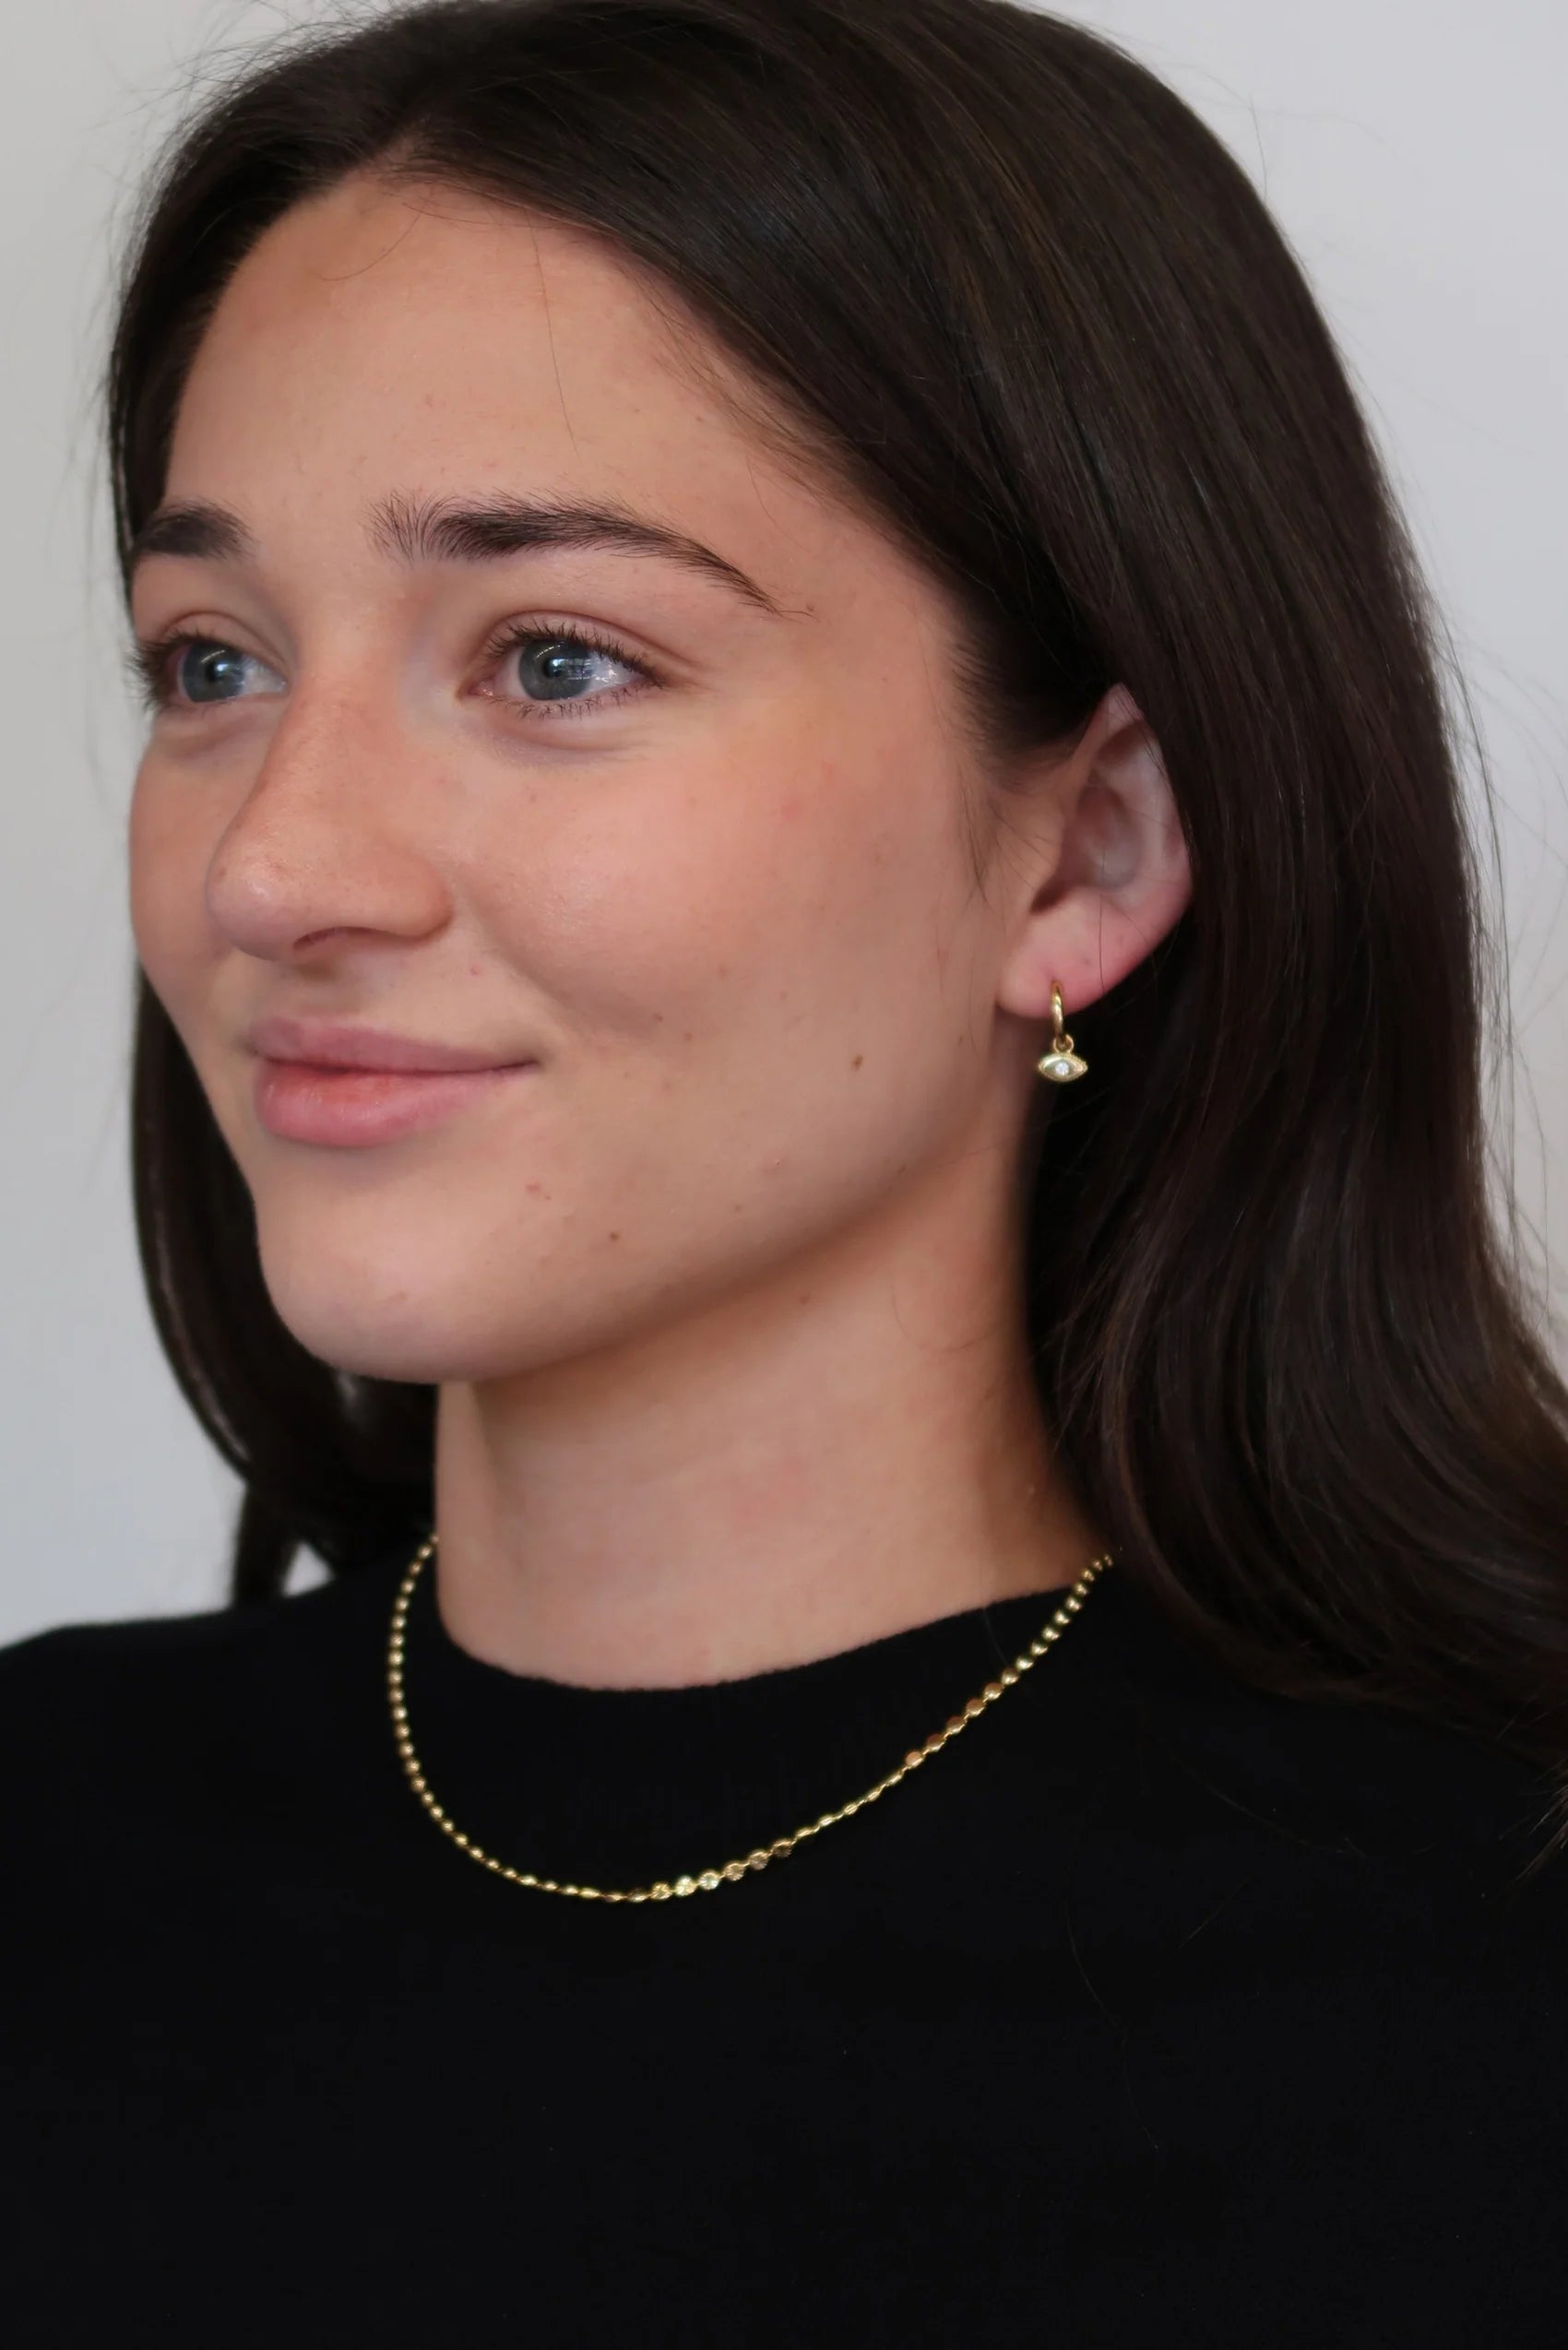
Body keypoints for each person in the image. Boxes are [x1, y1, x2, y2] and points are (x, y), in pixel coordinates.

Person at [4, 0, 1567, 2340]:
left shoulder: (1491, 2012)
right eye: (213, 663)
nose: (273, 868)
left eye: (554, 660)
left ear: (1086, 846)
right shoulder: (45, 1845)